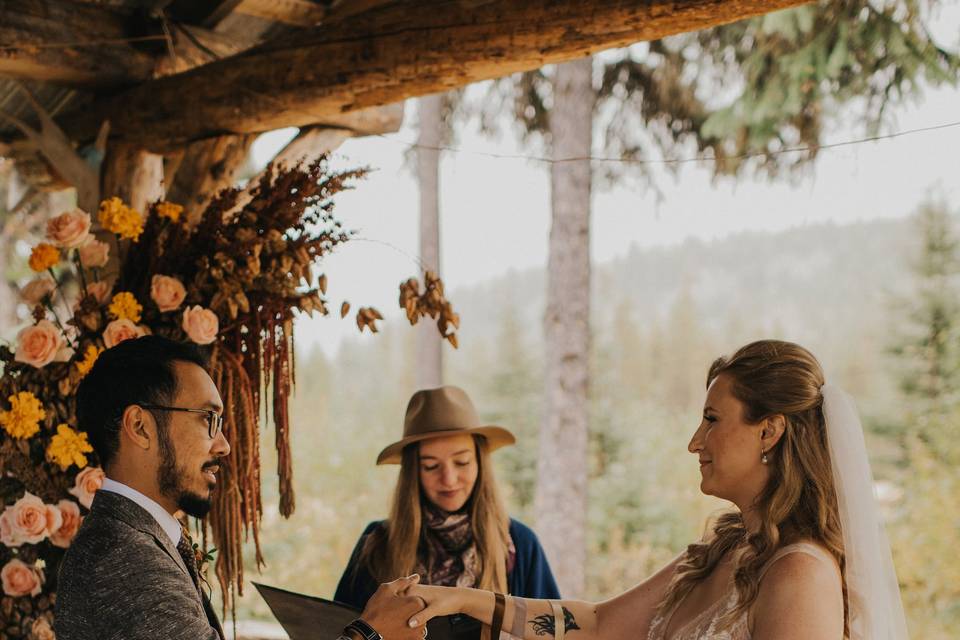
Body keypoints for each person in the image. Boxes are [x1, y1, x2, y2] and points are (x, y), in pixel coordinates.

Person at [399, 341, 910, 640]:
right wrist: (462, 599)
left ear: (769, 431)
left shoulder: (800, 572)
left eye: (712, 420)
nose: (695, 442)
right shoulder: (727, 548)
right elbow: (597, 625)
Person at [56, 335, 426, 640]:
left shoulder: (134, 539)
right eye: (208, 419)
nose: (224, 445)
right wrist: (371, 633)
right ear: (139, 427)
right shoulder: (124, 557)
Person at [335, 385, 560, 610]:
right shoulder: (377, 542)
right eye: (431, 466)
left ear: (480, 463)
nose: (449, 479)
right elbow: (339, 629)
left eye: (462, 462)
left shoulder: (520, 544)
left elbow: (553, 630)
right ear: (413, 474)